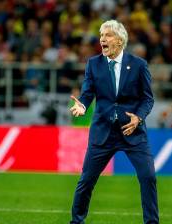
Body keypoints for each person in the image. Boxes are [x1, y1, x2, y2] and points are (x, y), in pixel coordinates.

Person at [69, 20, 159, 224]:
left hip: (132, 131)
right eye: (101, 35)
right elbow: (87, 93)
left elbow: (147, 98)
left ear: (119, 40)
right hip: (103, 132)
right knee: (86, 181)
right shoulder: (94, 63)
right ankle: (76, 221)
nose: (102, 38)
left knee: (148, 177)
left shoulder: (138, 65)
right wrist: (82, 105)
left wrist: (139, 116)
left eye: (107, 35)